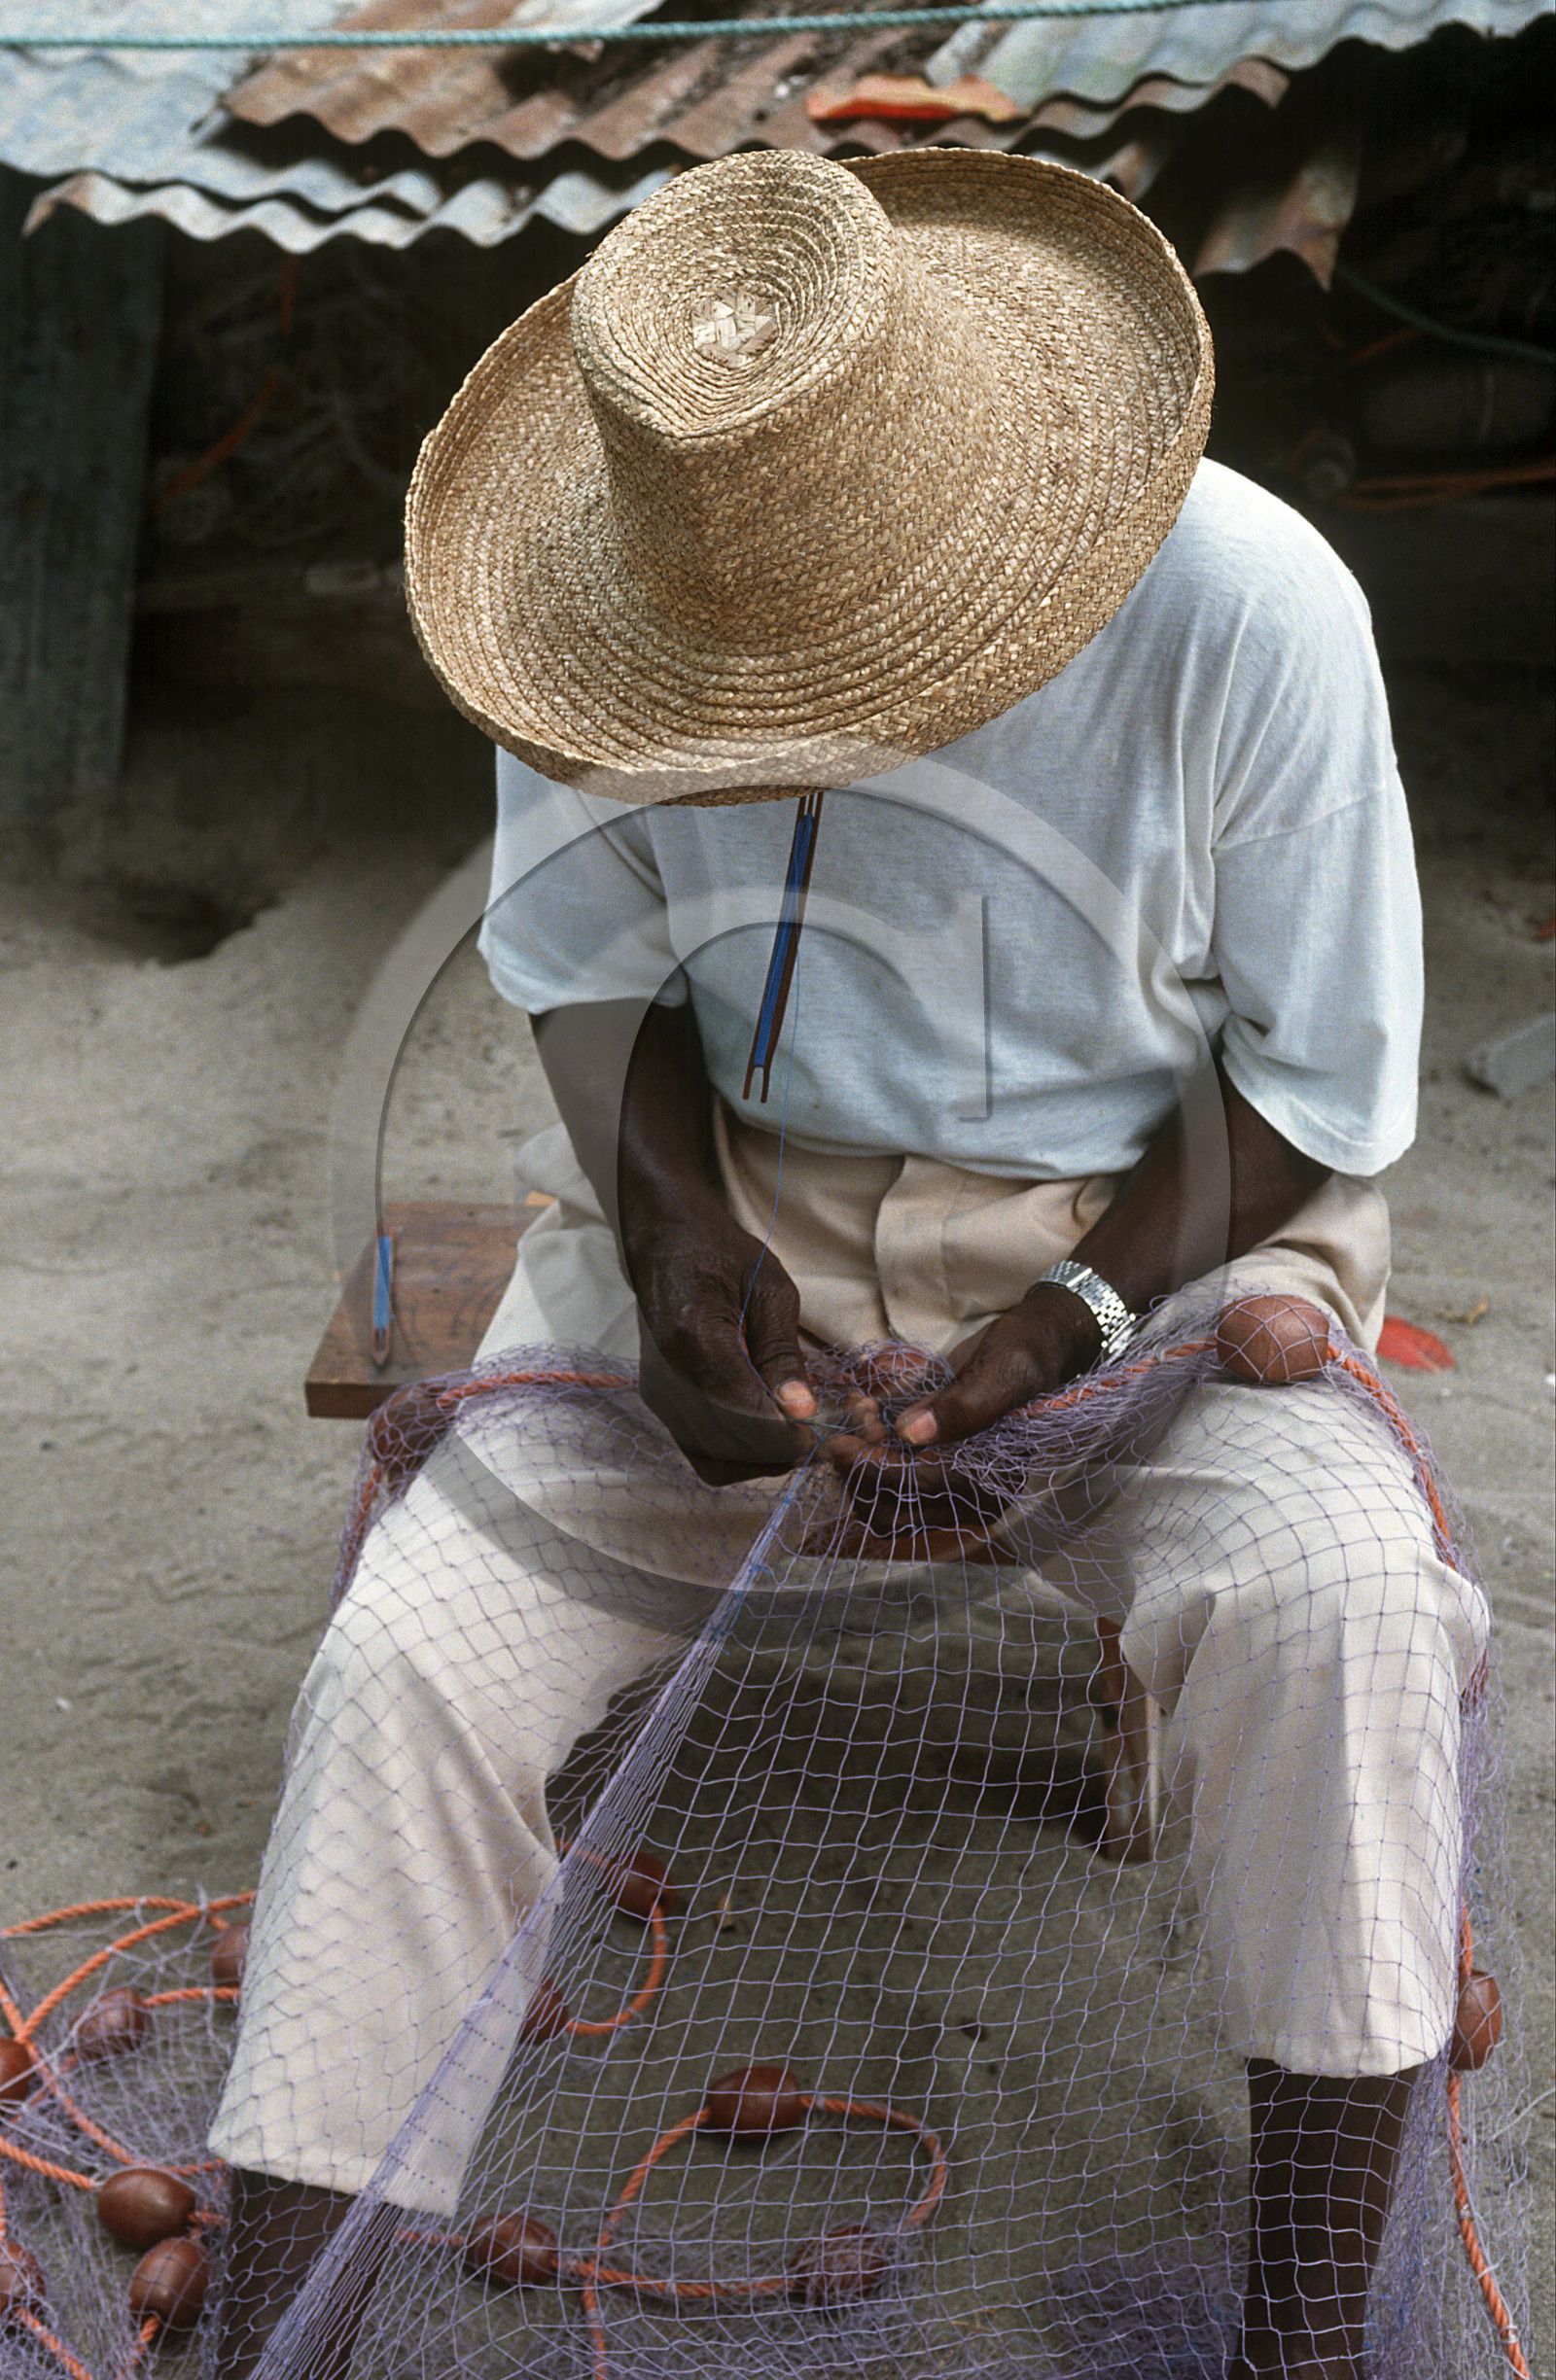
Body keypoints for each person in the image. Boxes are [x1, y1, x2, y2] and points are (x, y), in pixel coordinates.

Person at [208, 147, 1487, 2380]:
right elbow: (581, 962)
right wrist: (677, 1237)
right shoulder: (595, 595)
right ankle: (263, 2328)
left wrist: (1064, 1324)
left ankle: (1304, 2337)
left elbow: (1321, 1083)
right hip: (740, 1178)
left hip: (1160, 1211)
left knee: (1339, 1613)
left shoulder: (1248, 604)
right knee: (411, 1657)